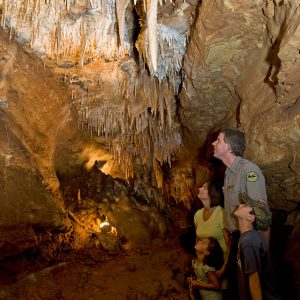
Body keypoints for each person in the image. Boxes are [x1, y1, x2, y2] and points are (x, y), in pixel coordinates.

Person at [211, 127, 271, 299]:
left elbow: (262, 214)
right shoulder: (229, 174)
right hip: (237, 241)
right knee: (241, 292)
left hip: (250, 242)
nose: (214, 143)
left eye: (218, 140)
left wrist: (263, 253)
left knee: (252, 291)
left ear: (228, 147)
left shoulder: (249, 171)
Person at [234, 193, 281, 300]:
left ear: (250, 217)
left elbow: (254, 280)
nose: (241, 204)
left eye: (245, 205)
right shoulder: (247, 237)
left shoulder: (249, 242)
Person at [194, 179, 230, 281]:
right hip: (204, 268)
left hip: (219, 267)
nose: (199, 188)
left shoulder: (221, 214)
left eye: (204, 187)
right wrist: (198, 266)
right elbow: (197, 240)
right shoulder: (197, 215)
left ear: (212, 193)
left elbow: (229, 245)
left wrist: (224, 268)